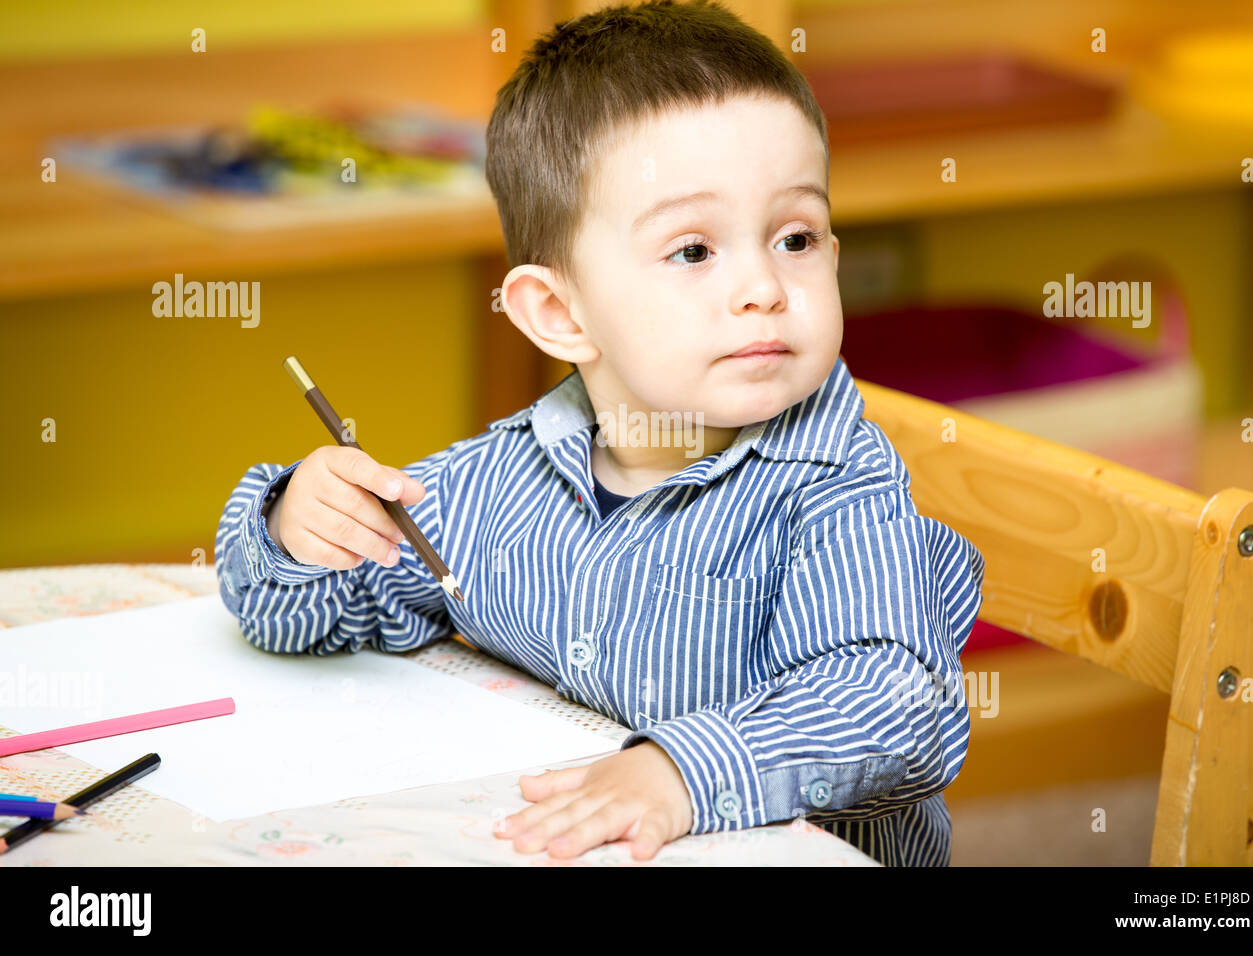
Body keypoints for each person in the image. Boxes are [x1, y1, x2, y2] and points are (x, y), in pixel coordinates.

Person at [215, 0, 985, 866]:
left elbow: (892, 705)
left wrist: (681, 775)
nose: (765, 286)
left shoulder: (839, 483)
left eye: (796, 237)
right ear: (558, 312)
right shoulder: (502, 480)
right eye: (695, 251)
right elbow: (298, 620)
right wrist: (297, 531)